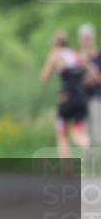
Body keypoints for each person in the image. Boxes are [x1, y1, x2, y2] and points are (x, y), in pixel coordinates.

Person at [39, 30, 90, 161]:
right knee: (77, 132)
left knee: (62, 133)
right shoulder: (75, 54)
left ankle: (67, 170)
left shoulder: (55, 54)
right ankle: (87, 146)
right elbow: (85, 75)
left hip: (66, 97)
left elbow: (44, 78)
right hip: (81, 97)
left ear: (55, 43)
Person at [79, 24, 101, 147]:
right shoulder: (77, 56)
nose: (86, 40)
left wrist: (87, 63)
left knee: (98, 131)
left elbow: (97, 77)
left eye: (88, 37)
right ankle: (90, 163)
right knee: (85, 132)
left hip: (97, 97)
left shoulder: (98, 55)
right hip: (82, 97)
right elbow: (77, 80)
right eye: (84, 38)